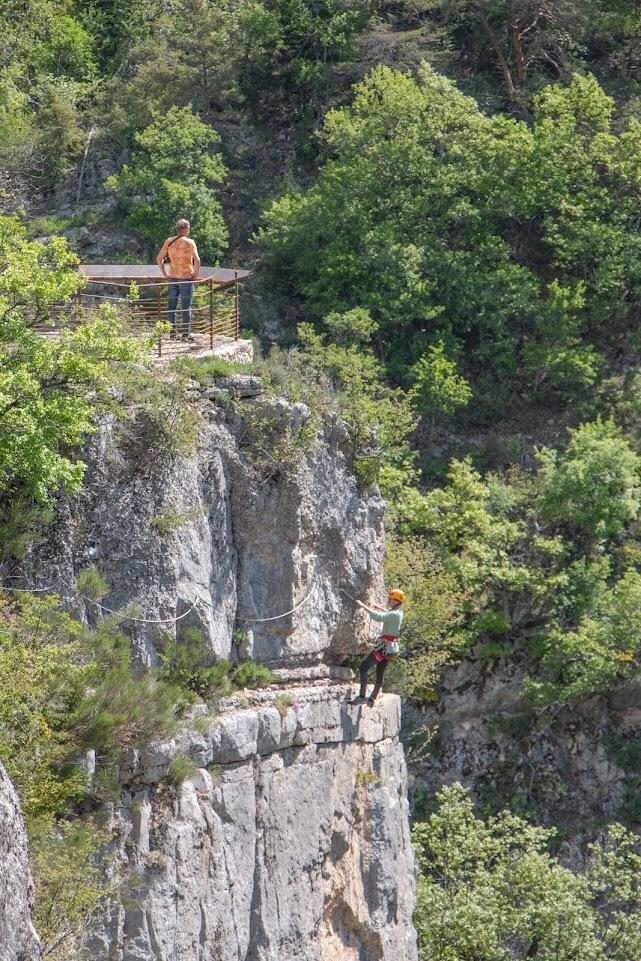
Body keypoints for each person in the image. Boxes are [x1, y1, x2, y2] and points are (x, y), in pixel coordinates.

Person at [349, 588, 405, 707]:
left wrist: (363, 606)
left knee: (363, 667)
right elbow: (388, 613)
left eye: (391, 599)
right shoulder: (399, 613)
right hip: (390, 649)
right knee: (380, 673)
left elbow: (378, 617)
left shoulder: (393, 614)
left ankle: (362, 697)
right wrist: (377, 606)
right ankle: (372, 698)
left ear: (396, 601)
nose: (390, 601)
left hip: (383, 648)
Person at [156, 219, 201, 341]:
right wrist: (195, 275)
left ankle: (172, 333)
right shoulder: (190, 242)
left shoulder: (169, 241)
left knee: (171, 307)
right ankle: (185, 335)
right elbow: (197, 260)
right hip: (186, 278)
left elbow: (159, 258)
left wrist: (165, 274)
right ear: (185, 228)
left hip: (173, 278)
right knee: (186, 307)